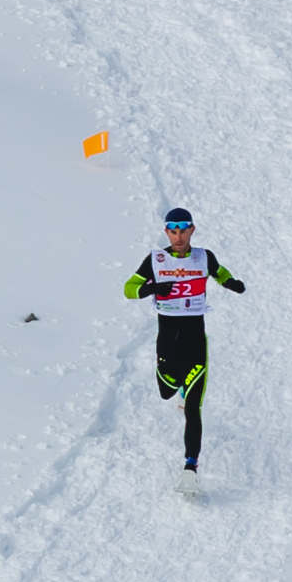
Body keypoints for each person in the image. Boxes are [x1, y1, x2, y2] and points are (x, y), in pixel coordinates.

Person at [123, 207, 244, 483]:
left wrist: (231, 283)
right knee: (167, 391)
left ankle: (190, 467)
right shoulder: (156, 260)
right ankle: (175, 388)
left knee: (193, 407)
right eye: (173, 231)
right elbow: (129, 288)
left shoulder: (203, 257)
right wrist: (153, 289)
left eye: (183, 230)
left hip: (195, 340)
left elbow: (220, 272)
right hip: (167, 341)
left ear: (192, 230)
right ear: (167, 232)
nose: (178, 237)